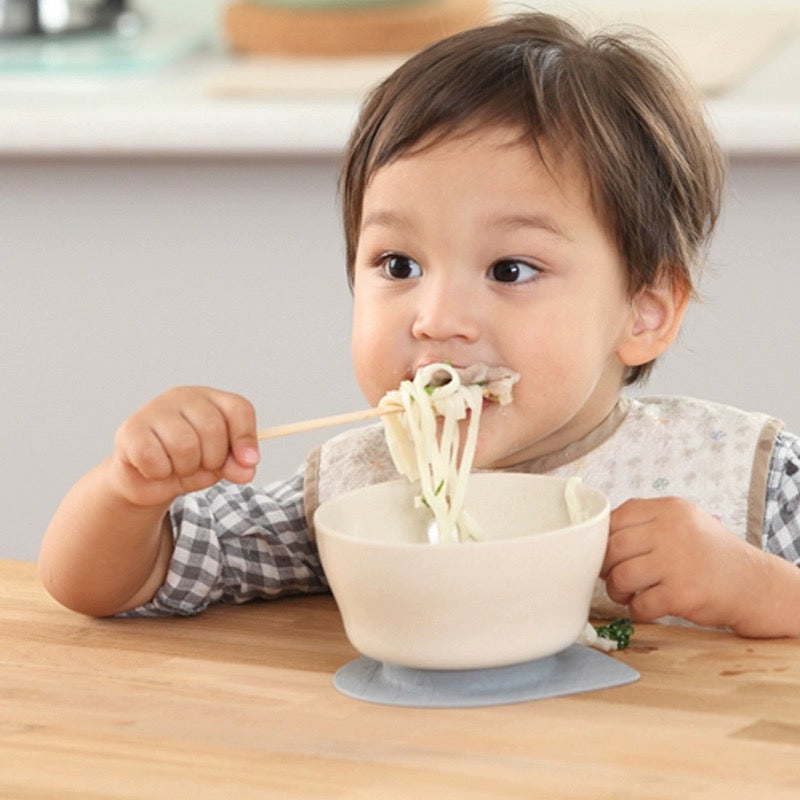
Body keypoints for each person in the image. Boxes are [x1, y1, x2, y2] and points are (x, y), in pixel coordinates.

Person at [39, 12, 800, 636]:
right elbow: (112, 586)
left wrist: (759, 589)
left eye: (510, 270)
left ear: (645, 312)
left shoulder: (747, 480)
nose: (437, 320)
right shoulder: (355, 491)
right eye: (399, 265)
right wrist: (130, 492)